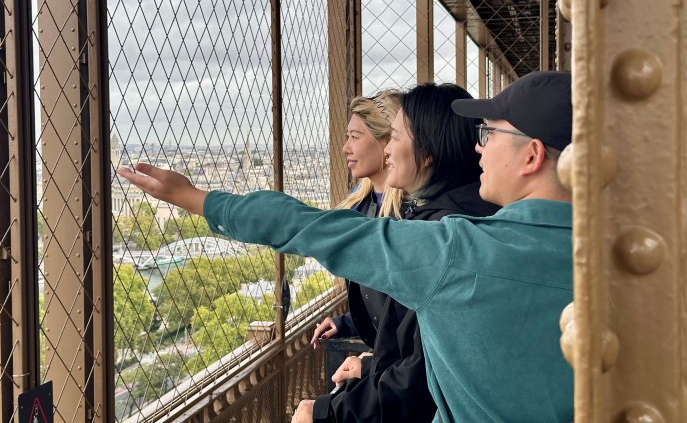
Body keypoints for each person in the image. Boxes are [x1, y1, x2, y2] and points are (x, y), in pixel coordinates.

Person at [117, 71, 574, 422]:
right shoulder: (606, 256)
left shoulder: (454, 251)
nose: (480, 148)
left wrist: (193, 199)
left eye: (488, 134)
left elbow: (312, 228)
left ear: (532, 155)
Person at [307, 83, 499, 423]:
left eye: (394, 139)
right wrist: (366, 353)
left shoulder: (436, 234)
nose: (345, 147)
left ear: (425, 153)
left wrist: (327, 413)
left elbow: (421, 374)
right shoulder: (453, 217)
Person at [317, 90, 404, 352]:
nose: (346, 147)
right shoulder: (363, 205)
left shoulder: (412, 214)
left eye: (355, 137)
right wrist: (348, 323)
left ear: (387, 141)